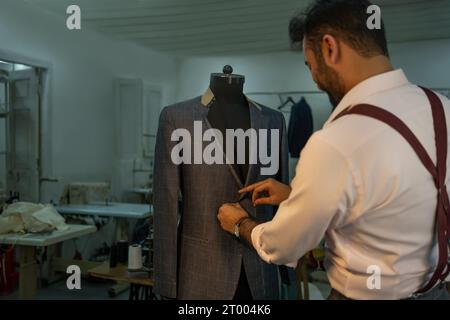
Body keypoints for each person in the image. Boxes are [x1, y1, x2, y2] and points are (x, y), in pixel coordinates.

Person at [217, 0, 450, 300]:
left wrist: (240, 224)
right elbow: (398, 201)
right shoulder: (443, 110)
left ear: (329, 48)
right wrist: (298, 197)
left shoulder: (335, 140)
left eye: (309, 64)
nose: (314, 78)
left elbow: (283, 245)